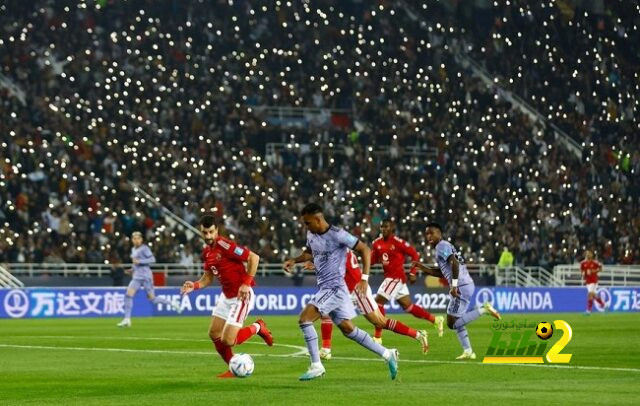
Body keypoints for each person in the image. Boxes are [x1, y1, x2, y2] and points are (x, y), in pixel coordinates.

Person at [284, 203, 399, 381]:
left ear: (318, 219)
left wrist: (364, 278)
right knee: (348, 329)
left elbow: (365, 249)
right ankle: (387, 354)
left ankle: (316, 365)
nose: (305, 227)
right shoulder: (311, 233)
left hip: (335, 287)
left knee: (305, 319)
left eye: (307, 223)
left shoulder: (338, 235)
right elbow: (309, 252)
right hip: (327, 287)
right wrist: (295, 260)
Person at [181, 215, 274, 378]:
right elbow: (208, 278)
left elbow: (254, 258)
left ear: (216, 230)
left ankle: (258, 327)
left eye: (211, 232)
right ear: (200, 231)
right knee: (214, 334)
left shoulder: (225, 245)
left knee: (229, 340)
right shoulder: (207, 252)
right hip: (226, 296)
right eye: (205, 232)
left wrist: (246, 283)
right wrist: (194, 285)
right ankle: (234, 368)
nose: (208, 236)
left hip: (241, 295)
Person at [306, 251, 429, 360]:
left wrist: (317, 265)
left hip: (357, 291)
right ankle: (326, 349)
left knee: (380, 322)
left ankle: (418, 334)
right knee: (326, 313)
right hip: (345, 291)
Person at [412, 222, 501, 360]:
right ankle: (468, 351)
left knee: (451, 323)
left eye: (432, 233)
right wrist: (422, 267)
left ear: (439, 233)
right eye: (427, 234)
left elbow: (454, 263)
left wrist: (453, 286)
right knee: (456, 319)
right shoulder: (444, 247)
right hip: (465, 284)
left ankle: (483, 309)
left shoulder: (442, 246)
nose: (429, 236)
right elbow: (442, 272)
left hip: (460, 286)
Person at [371, 219, 444, 343]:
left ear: (391, 228)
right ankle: (435, 319)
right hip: (391, 279)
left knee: (377, 304)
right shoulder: (376, 243)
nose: (384, 229)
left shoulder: (398, 242)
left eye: (386, 227)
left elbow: (415, 254)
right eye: (382, 227)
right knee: (408, 307)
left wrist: (412, 272)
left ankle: (378, 337)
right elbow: (372, 260)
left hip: (395, 278)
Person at [117, 232, 180, 327]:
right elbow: (135, 263)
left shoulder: (145, 248)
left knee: (152, 299)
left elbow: (153, 259)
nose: (136, 240)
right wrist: (132, 269)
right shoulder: (133, 249)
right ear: (132, 240)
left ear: (141, 240)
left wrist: (140, 261)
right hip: (137, 277)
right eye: (134, 238)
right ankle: (127, 319)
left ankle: (172, 303)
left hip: (146, 277)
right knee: (128, 295)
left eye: (138, 238)